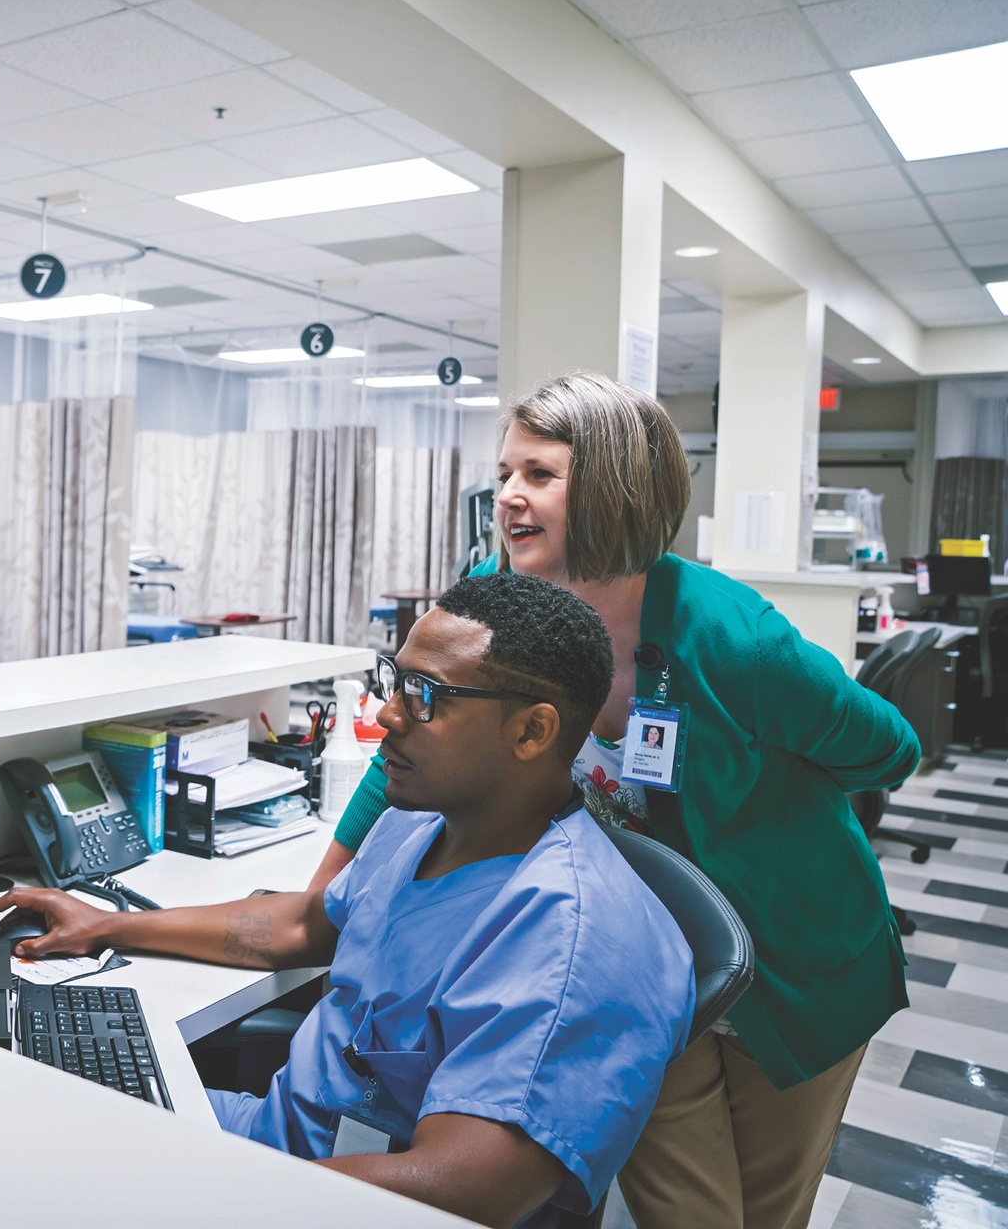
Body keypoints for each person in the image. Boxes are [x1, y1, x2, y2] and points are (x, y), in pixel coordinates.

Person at [318, 372, 920, 1228]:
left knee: (766, 1212)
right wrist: (323, 890)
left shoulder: (731, 637)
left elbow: (889, 748)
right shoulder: (498, 593)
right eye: (505, 473)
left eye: (539, 474)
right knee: (686, 1214)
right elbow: (406, 737)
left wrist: (762, 811)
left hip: (798, 961)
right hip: (642, 960)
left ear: (610, 485)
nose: (508, 497)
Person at [0, 575, 695, 1229]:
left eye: (425, 695)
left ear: (532, 732)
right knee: (14, 1100)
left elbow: (469, 1187)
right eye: (395, 681)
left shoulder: (572, 938)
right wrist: (109, 926)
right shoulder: (425, 822)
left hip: (317, 1197)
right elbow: (297, 924)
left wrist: (216, 1190)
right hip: (271, 1143)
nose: (388, 715)